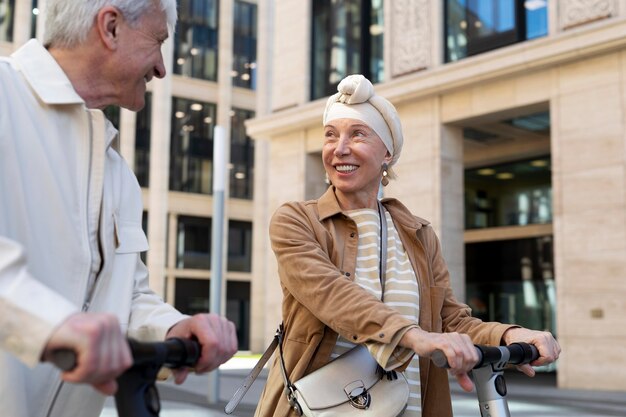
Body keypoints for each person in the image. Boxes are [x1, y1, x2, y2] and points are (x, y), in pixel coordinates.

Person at [254, 74, 560, 417]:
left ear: (387, 152)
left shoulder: (418, 234)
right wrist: (413, 336)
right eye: (330, 135)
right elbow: (331, 294)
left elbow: (450, 321)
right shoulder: (297, 221)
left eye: (357, 134)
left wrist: (510, 334)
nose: (339, 149)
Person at [0, 1, 237, 416]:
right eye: (158, 40)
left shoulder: (116, 172)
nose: (162, 68)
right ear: (110, 27)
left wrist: (172, 326)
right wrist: (52, 325)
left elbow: (123, 298)